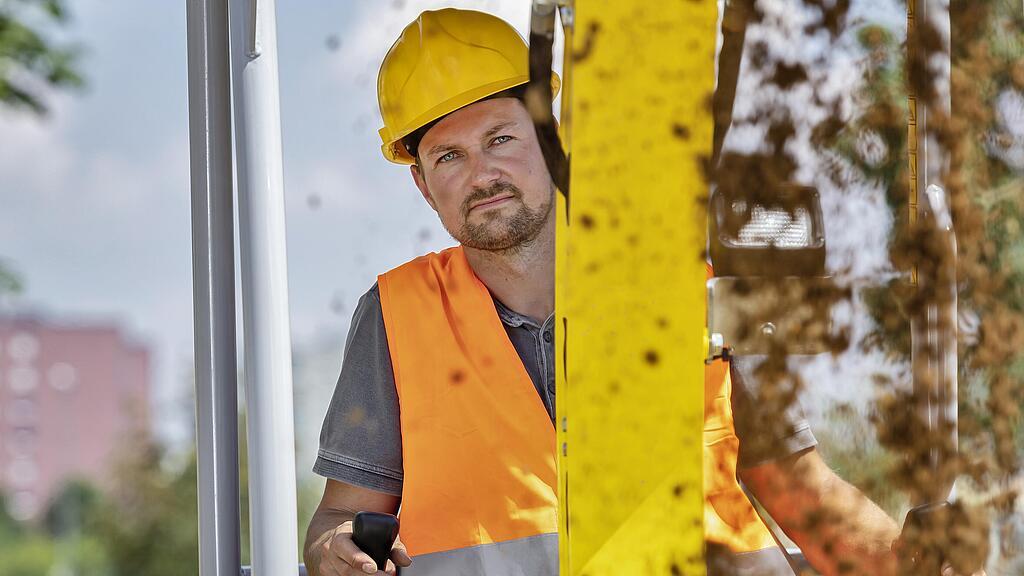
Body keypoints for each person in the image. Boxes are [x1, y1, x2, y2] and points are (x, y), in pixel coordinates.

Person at [304, 8, 936, 576]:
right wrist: (333, 551)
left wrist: (900, 564)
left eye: (501, 139)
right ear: (421, 183)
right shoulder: (395, 315)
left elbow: (796, 485)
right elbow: (340, 516)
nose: (483, 175)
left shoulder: (696, 288)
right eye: (450, 157)